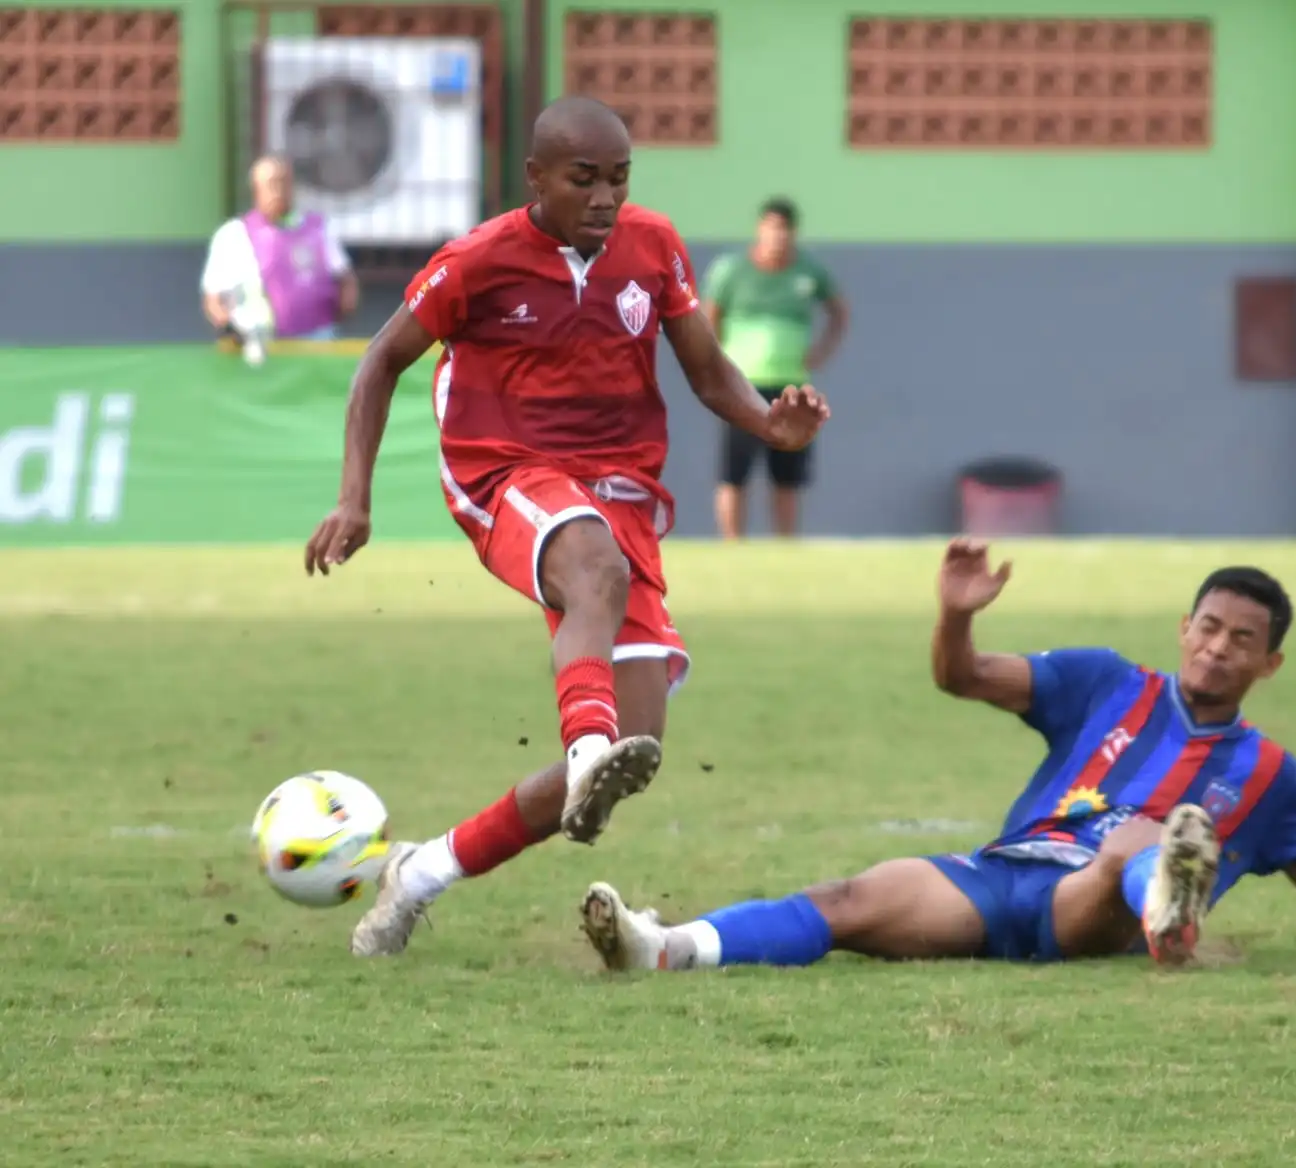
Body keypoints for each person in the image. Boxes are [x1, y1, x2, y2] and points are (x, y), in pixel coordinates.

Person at [302, 96, 830, 959]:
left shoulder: (653, 246)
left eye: (619, 178)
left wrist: (769, 423)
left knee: (637, 741)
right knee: (595, 588)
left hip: (622, 491)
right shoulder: (476, 260)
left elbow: (706, 369)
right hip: (502, 469)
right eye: (584, 179)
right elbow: (379, 363)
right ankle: (586, 749)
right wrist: (354, 499)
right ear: (536, 178)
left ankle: (422, 872)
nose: (604, 197)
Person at [579, 540, 1296, 972]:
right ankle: (667, 948)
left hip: (1088, 907)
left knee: (1139, 840)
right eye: (1208, 627)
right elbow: (960, 676)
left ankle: (1165, 908)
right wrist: (956, 613)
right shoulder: (1104, 681)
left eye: (1242, 640)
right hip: (1001, 877)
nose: (1217, 648)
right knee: (845, 900)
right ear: (1184, 627)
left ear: (1269, 664)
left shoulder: (1272, 776)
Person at [703, 198, 848, 539]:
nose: (778, 236)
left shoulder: (808, 271)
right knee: (734, 473)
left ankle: (784, 544)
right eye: (772, 228)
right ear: (760, 229)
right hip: (743, 387)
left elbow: (838, 311)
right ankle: (732, 545)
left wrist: (821, 352)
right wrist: (718, 363)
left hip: (790, 386)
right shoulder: (732, 270)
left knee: (787, 476)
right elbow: (709, 316)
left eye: (785, 230)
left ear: (793, 233)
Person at [200, 155, 360, 361]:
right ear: (256, 189)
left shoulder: (318, 228)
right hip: (261, 350)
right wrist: (232, 331)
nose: (279, 190)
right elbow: (213, 299)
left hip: (317, 345)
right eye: (271, 183)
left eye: (284, 182)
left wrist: (342, 311)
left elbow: (345, 279)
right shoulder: (233, 235)